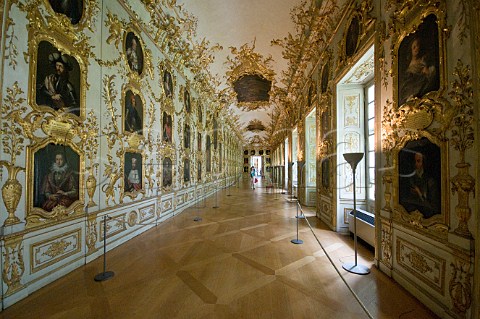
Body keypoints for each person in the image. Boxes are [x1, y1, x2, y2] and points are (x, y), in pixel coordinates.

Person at [399, 36, 438, 106]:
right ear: (411, 50)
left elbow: (432, 71)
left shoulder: (424, 59)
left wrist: (427, 71)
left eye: (418, 46)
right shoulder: (409, 66)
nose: (416, 48)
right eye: (414, 47)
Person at [400, 152, 440, 218]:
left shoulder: (430, 181)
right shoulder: (411, 178)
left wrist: (419, 192)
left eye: (418, 161)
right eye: (415, 161)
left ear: (424, 163)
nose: (415, 164)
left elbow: (434, 207)